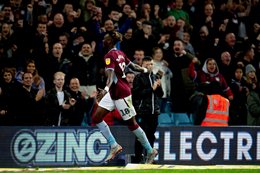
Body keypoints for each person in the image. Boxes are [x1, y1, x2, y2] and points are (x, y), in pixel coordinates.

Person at [92, 31, 158, 164]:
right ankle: (114, 145)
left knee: (132, 124)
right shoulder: (121, 54)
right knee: (96, 117)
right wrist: (145, 70)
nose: (103, 40)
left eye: (105, 38)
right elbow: (133, 67)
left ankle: (150, 150)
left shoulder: (109, 55)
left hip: (122, 93)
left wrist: (105, 90)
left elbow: (110, 77)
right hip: (113, 92)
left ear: (110, 41)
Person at [132, 56, 163, 163]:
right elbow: (136, 94)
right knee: (141, 135)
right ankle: (138, 158)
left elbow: (161, 94)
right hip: (142, 111)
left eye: (151, 64)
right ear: (142, 66)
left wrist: (158, 87)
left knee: (151, 135)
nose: (149, 66)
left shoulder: (155, 77)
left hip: (154, 112)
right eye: (147, 64)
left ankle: (149, 157)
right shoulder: (138, 77)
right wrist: (152, 89)